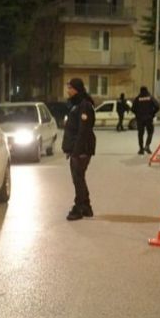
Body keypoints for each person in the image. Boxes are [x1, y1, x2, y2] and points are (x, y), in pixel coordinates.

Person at [62, 78, 96, 221]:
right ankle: (86, 206)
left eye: (70, 88)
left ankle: (79, 208)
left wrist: (76, 151)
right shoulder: (76, 105)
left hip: (82, 150)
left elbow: (83, 131)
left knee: (78, 179)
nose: (68, 90)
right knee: (79, 178)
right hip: (77, 149)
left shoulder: (84, 105)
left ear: (77, 89)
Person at [132, 86, 160, 154]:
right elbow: (158, 106)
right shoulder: (150, 97)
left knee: (140, 134)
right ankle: (147, 146)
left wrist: (137, 115)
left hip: (140, 119)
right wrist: (152, 114)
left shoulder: (137, 98)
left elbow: (133, 109)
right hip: (149, 118)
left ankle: (141, 149)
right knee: (150, 132)